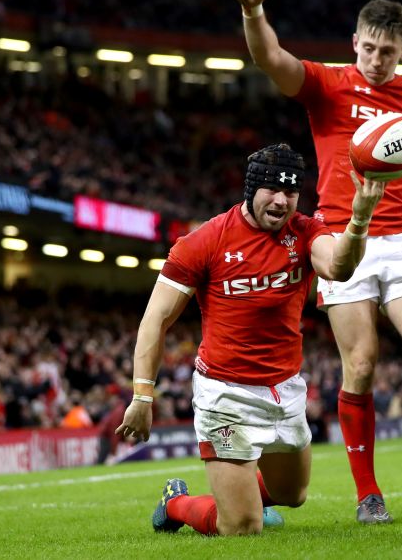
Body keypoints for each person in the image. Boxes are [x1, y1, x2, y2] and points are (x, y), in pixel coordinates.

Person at [232, 0, 402, 524]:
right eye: (367, 48)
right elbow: (269, 58)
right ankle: (368, 493)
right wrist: (255, 11)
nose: (374, 60)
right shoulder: (328, 83)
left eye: (386, 51)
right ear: (355, 42)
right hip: (343, 242)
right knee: (361, 365)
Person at [115, 144, 385, 535]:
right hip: (225, 393)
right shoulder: (204, 241)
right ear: (250, 189)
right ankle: (176, 503)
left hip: (284, 389)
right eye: (271, 190)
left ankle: (243, 499)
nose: (281, 200)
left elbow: (339, 267)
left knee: (293, 495)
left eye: (290, 192)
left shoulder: (306, 231)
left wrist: (359, 217)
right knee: (242, 527)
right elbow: (154, 320)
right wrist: (142, 396)